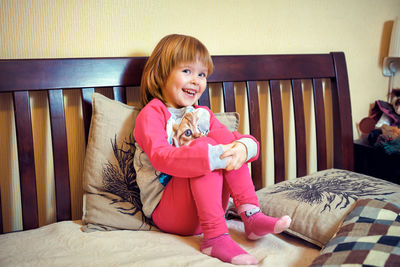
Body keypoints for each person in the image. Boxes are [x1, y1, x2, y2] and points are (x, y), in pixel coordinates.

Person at [133, 34, 291, 265]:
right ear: (160, 74)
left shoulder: (201, 114)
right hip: (169, 213)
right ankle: (215, 237)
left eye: (202, 74)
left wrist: (244, 147)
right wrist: (208, 154)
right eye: (187, 71)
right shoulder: (153, 113)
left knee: (228, 143)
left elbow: (236, 141)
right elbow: (161, 157)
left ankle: (251, 215)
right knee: (206, 146)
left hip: (209, 209)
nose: (196, 80)